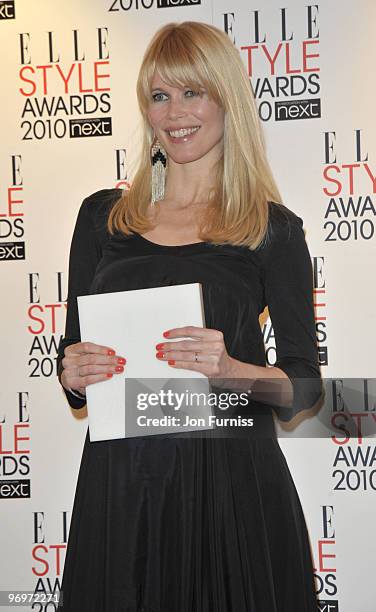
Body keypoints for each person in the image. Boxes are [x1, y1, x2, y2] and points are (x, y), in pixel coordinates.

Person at [57, 21, 322, 612]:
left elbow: (303, 385)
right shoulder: (102, 218)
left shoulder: (271, 228)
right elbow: (72, 361)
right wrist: (73, 371)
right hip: (122, 490)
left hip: (229, 485)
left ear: (226, 98)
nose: (174, 113)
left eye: (192, 92)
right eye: (159, 95)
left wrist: (231, 371)